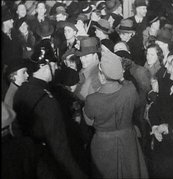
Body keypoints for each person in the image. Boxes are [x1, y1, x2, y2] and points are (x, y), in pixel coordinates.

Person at [13, 46, 87, 179]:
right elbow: (60, 148)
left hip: (30, 161)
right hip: (49, 163)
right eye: (53, 65)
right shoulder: (47, 101)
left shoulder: (21, 91)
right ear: (45, 66)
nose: (56, 68)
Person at [83, 50, 148, 178]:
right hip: (128, 141)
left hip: (103, 145)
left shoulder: (92, 99)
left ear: (101, 75)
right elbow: (136, 102)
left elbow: (89, 121)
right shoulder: (130, 90)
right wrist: (120, 77)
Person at [74, 37, 101, 101]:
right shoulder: (84, 70)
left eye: (85, 56)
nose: (82, 59)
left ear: (95, 56)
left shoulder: (97, 76)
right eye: (81, 56)